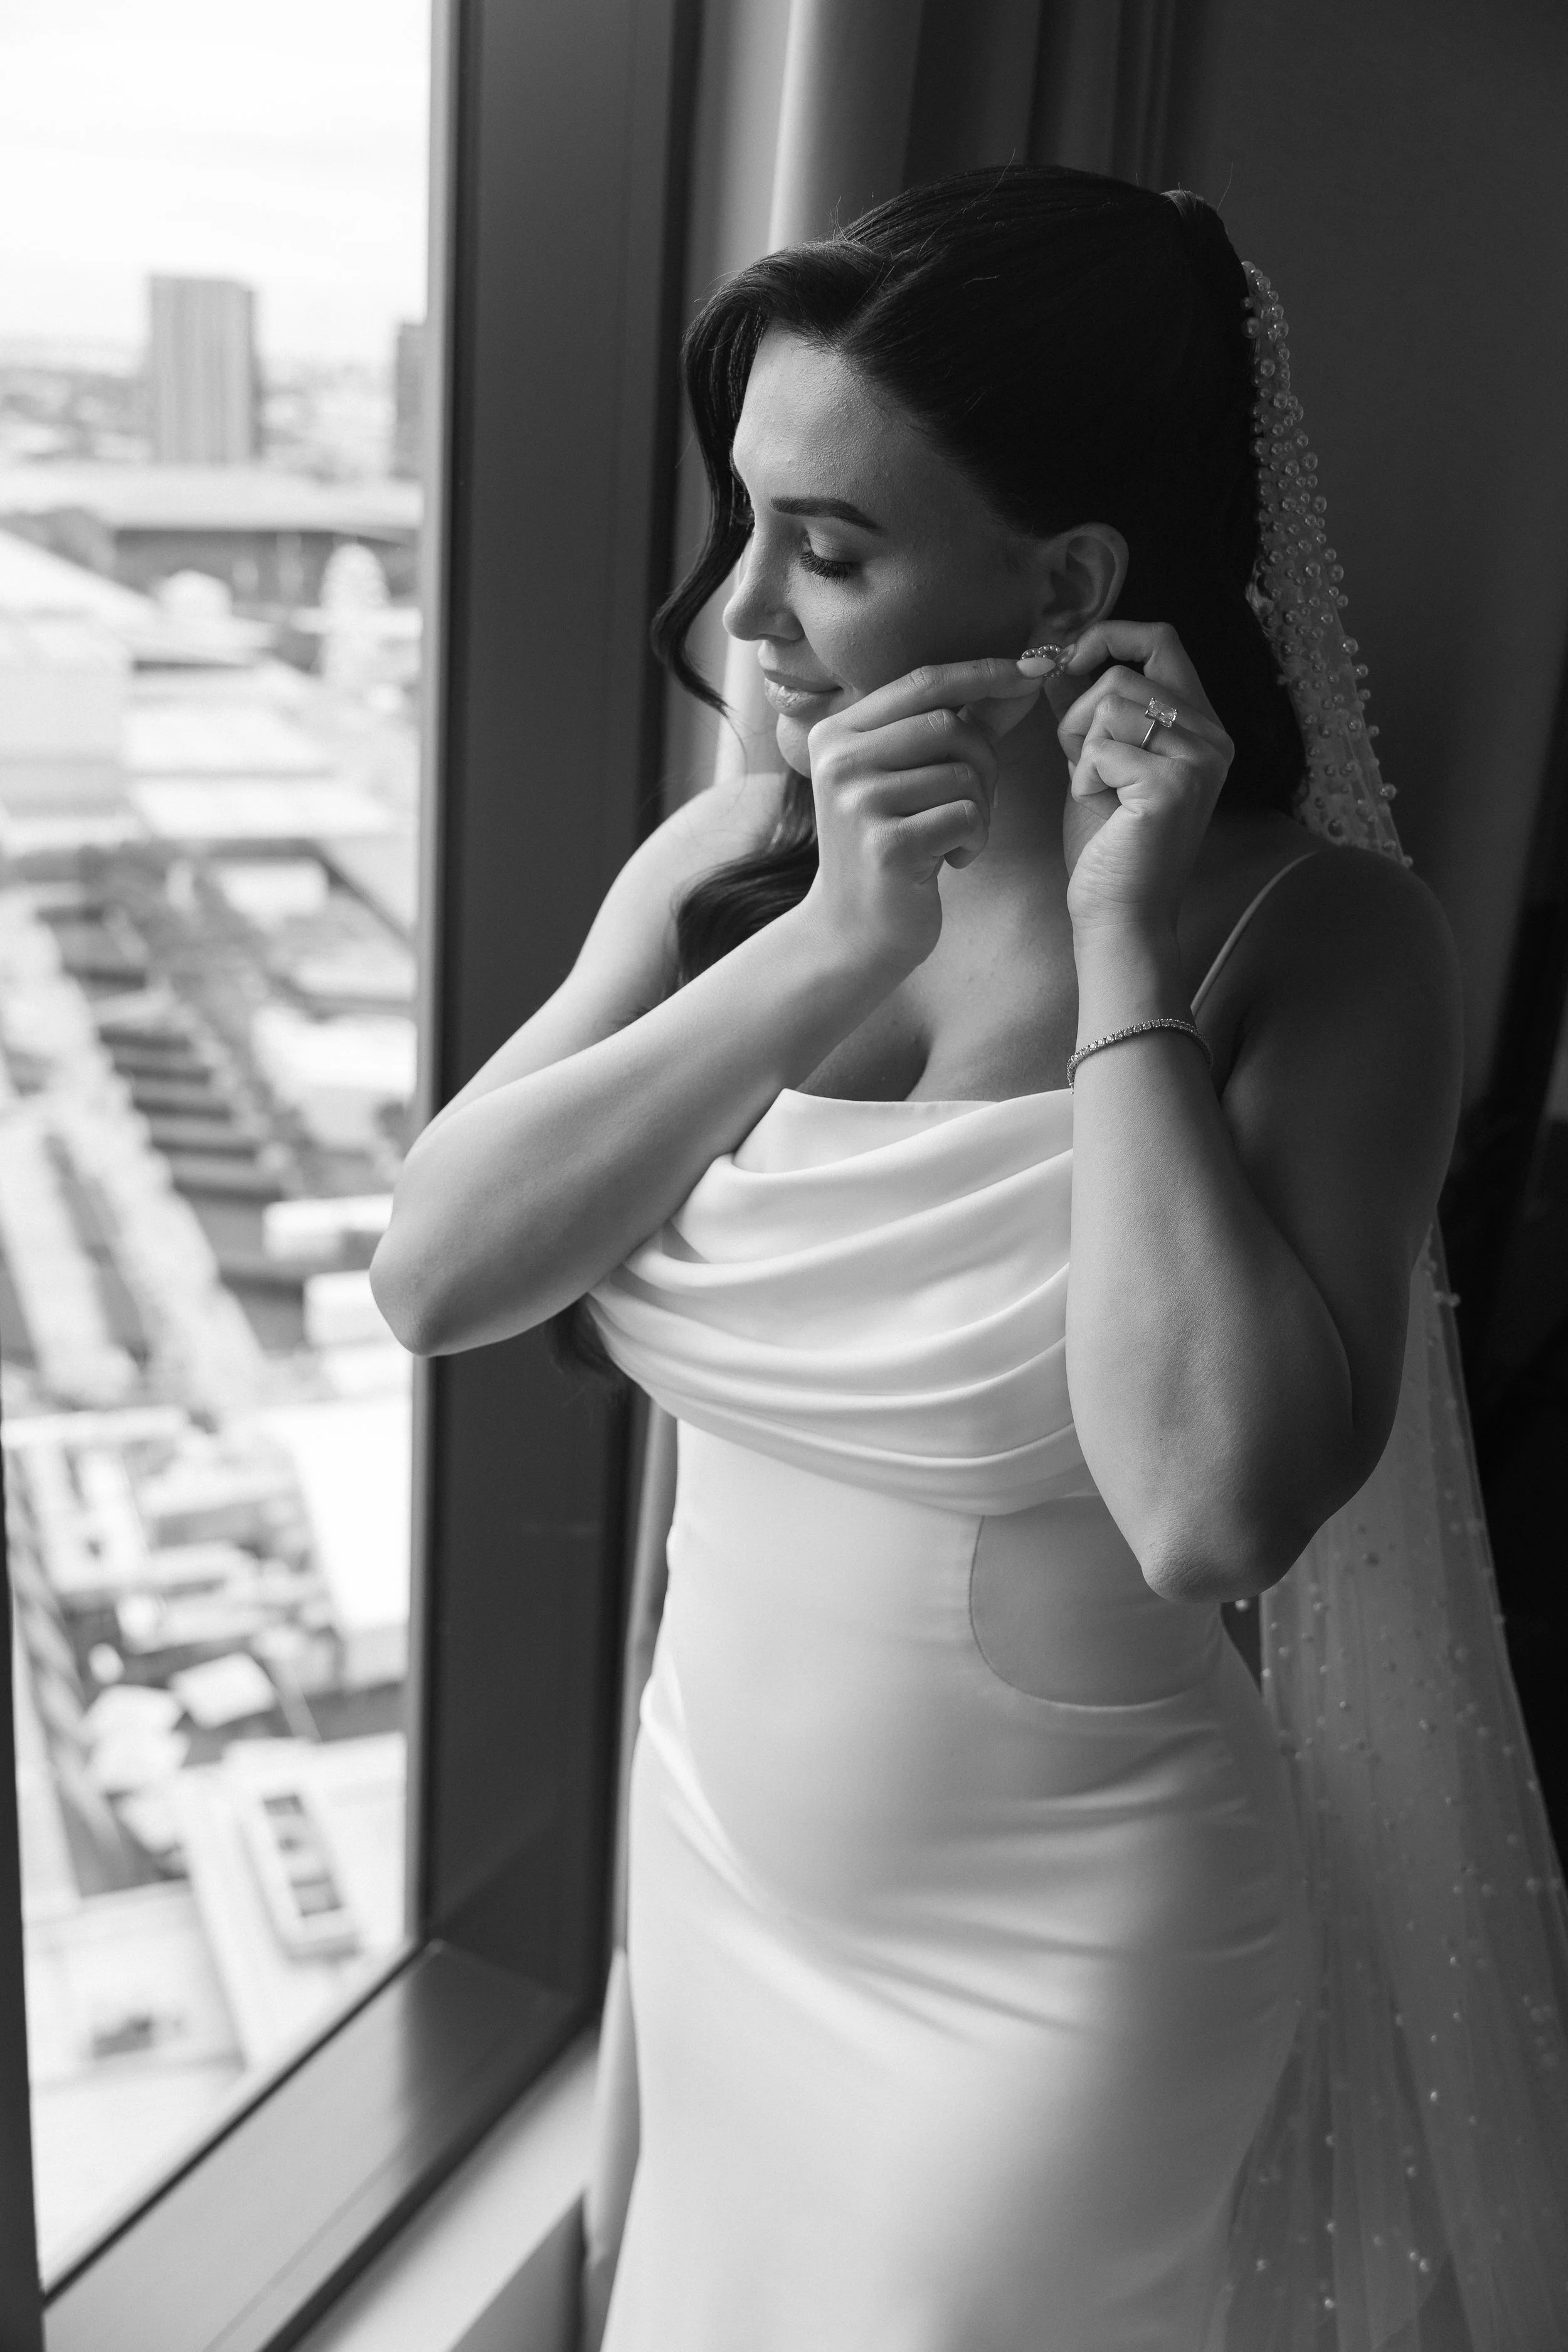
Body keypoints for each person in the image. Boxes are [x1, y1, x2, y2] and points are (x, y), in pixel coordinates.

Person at [371, 168, 1567, 2349]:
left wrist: (1122, 951)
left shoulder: (1317, 941)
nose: (741, 614)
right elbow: (438, 1274)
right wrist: (831, 936)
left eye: (825, 549)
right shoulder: (732, 861)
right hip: (718, 1864)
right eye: (744, 524)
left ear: (1070, 583)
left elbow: (1212, 1503)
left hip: (1059, 1974)